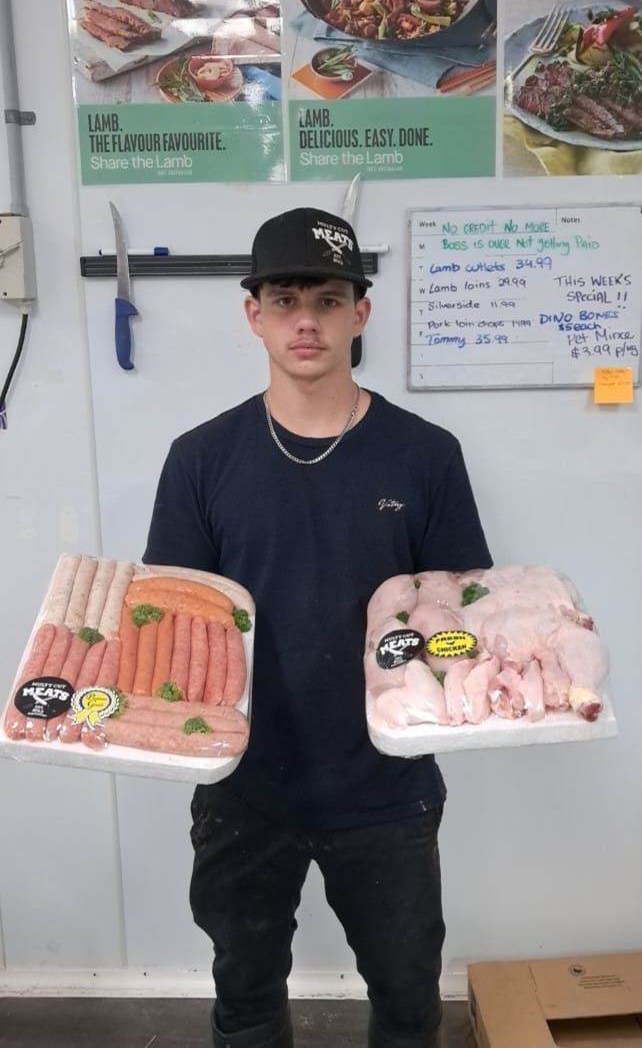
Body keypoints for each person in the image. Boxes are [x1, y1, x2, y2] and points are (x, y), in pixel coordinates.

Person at [142, 206, 492, 1048]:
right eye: (286, 298)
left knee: (409, 1003)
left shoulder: (425, 453)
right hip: (243, 790)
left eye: (329, 300)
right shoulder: (201, 458)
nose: (307, 320)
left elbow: (461, 618)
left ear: (359, 313)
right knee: (247, 1000)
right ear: (252, 312)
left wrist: (469, 674)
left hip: (386, 789)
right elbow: (172, 620)